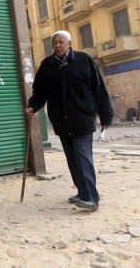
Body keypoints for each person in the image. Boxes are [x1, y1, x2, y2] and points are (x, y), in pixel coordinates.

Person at [25, 30, 113, 212]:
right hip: (61, 121)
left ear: (69, 43)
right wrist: (32, 106)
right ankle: (83, 193)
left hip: (82, 119)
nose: (57, 45)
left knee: (82, 157)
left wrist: (105, 115)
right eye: (55, 43)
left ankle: (90, 198)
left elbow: (99, 89)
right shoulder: (47, 66)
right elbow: (40, 93)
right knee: (72, 159)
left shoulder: (84, 60)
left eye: (61, 42)